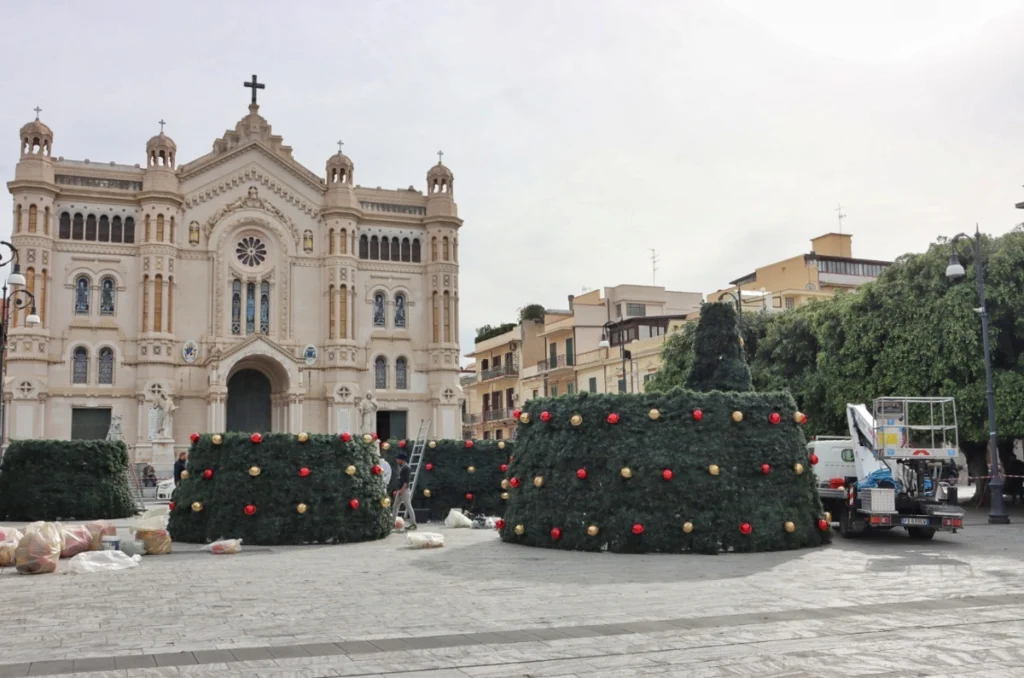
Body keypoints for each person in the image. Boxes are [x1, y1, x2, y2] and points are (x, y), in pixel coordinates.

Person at [392, 453, 416, 530]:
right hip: (400, 490)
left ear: (402, 460)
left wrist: (402, 490)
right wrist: (398, 490)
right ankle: (392, 523)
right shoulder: (401, 467)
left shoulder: (406, 468)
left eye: (398, 459)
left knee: (408, 506)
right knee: (395, 506)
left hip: (404, 490)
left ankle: (413, 523)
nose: (396, 460)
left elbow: (406, 481)